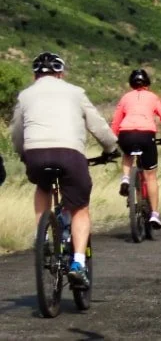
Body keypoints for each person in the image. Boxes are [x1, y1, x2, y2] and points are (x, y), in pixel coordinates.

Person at [11, 52, 120, 289]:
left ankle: (43, 236)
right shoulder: (75, 92)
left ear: (35, 74)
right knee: (80, 207)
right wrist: (111, 148)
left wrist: (24, 153)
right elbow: (97, 125)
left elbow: (17, 132)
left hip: (36, 154)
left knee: (42, 185)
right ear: (60, 73)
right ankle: (78, 264)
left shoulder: (25, 95)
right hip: (70, 154)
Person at [111, 68, 161, 229]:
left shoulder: (125, 97)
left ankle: (126, 178)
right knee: (150, 176)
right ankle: (155, 215)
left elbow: (116, 121)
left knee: (127, 153)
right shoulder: (153, 97)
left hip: (126, 133)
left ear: (131, 84)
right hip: (146, 135)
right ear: (147, 84)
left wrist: (113, 138)